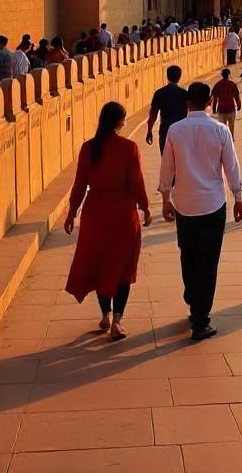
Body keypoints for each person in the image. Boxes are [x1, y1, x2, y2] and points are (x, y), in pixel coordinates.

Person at [158, 81, 242, 341]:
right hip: (212, 205)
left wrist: (165, 198)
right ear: (209, 102)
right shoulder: (219, 130)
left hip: (185, 204)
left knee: (188, 255)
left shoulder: (175, 130)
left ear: (188, 103)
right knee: (208, 262)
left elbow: (166, 169)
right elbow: (232, 166)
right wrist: (238, 197)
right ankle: (200, 319)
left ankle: (193, 299)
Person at [64, 101, 151, 341]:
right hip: (122, 213)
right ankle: (117, 322)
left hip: (95, 213)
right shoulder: (128, 147)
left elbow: (80, 184)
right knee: (122, 268)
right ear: (120, 122)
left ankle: (105, 314)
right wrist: (145, 207)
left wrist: (72, 212)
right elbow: (136, 182)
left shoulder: (89, 148)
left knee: (100, 264)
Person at [146, 65, 189, 153]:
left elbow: (153, 114)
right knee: (181, 159)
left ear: (167, 76)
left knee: (166, 159)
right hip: (182, 131)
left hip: (165, 130)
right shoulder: (185, 94)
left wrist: (149, 130)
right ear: (179, 77)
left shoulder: (159, 93)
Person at [210, 68, 241, 136]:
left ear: (222, 75)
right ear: (229, 75)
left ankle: (225, 139)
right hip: (231, 108)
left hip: (221, 109)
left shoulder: (218, 84)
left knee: (223, 127)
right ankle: (231, 137)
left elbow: (214, 97)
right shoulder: (232, 84)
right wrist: (239, 105)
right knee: (231, 126)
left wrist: (214, 108)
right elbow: (236, 96)